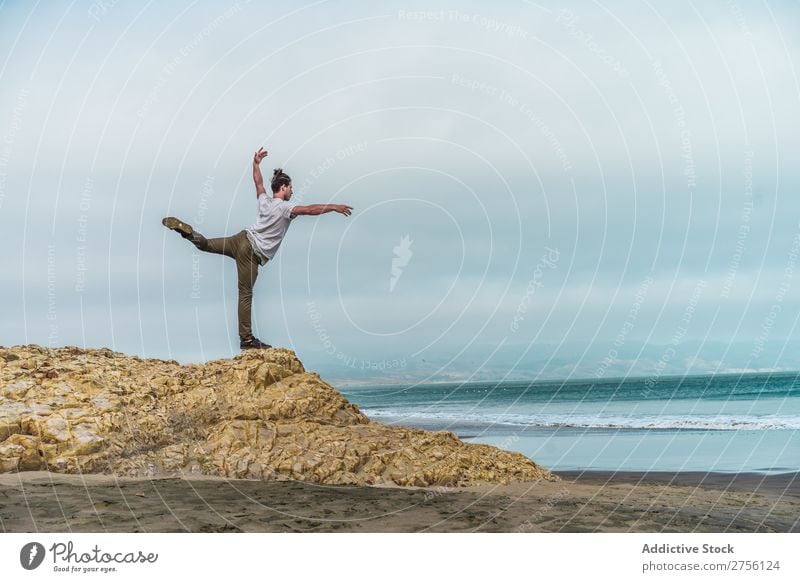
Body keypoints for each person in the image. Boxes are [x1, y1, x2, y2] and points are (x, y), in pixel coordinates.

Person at [162, 147, 353, 350]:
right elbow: (309, 210)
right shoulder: (285, 207)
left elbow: (258, 182)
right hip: (251, 252)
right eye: (291, 188)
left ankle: (188, 233)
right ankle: (246, 340)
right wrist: (333, 207)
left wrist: (255, 164)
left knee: (206, 244)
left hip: (240, 239)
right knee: (245, 293)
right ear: (284, 187)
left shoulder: (264, 201)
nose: (293, 191)